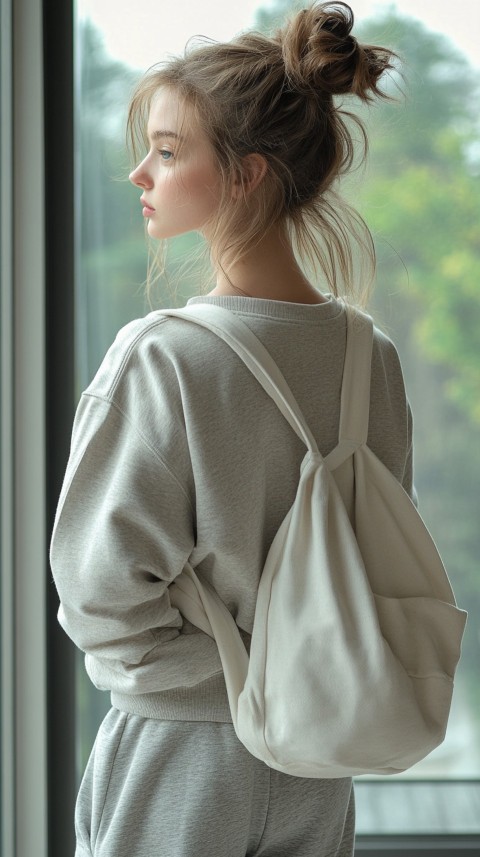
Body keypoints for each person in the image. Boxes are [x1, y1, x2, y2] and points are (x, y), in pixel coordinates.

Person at [51, 3, 407, 855]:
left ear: (246, 174)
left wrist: (214, 681)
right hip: (320, 747)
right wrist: (283, 673)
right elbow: (377, 552)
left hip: (183, 749)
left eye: (169, 153)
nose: (140, 173)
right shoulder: (372, 355)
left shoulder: (163, 355)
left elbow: (98, 594)